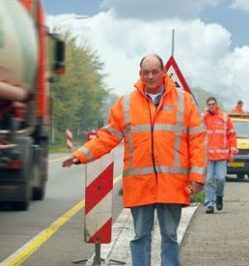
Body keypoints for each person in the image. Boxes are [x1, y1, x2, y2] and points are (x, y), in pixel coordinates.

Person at [62, 54, 206, 266]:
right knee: (140, 237)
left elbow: (197, 140)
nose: (150, 76)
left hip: (172, 185)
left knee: (170, 237)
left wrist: (196, 177)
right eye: (145, 72)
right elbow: (107, 136)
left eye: (155, 71)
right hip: (141, 186)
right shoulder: (126, 103)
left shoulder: (184, 101)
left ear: (163, 72)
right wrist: (79, 155)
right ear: (140, 74)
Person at [202, 97, 237, 214]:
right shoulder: (203, 118)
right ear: (207, 106)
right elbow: (196, 133)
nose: (212, 106)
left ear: (216, 105)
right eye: (209, 104)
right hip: (207, 156)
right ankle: (209, 204)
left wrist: (232, 152)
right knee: (208, 180)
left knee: (221, 179)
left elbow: (231, 135)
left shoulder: (224, 117)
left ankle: (219, 196)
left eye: (213, 104)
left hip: (221, 156)